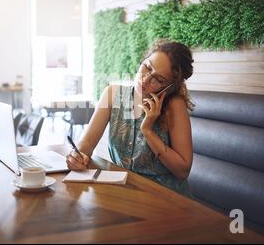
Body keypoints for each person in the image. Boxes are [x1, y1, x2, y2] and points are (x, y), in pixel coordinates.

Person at [66, 40, 195, 197]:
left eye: (159, 80)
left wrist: (148, 131)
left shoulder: (175, 105)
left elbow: (182, 171)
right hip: (122, 191)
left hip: (164, 197)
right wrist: (77, 156)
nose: (146, 79)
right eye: (147, 67)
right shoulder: (113, 94)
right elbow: (86, 145)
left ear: (169, 88)